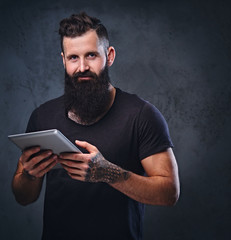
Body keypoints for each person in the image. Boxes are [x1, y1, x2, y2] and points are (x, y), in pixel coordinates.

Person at [11, 12, 180, 240]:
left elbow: (169, 193)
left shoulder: (142, 115)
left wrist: (108, 173)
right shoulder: (43, 116)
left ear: (109, 56)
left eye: (91, 55)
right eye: (73, 58)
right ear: (63, 60)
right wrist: (30, 175)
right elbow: (24, 197)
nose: (82, 67)